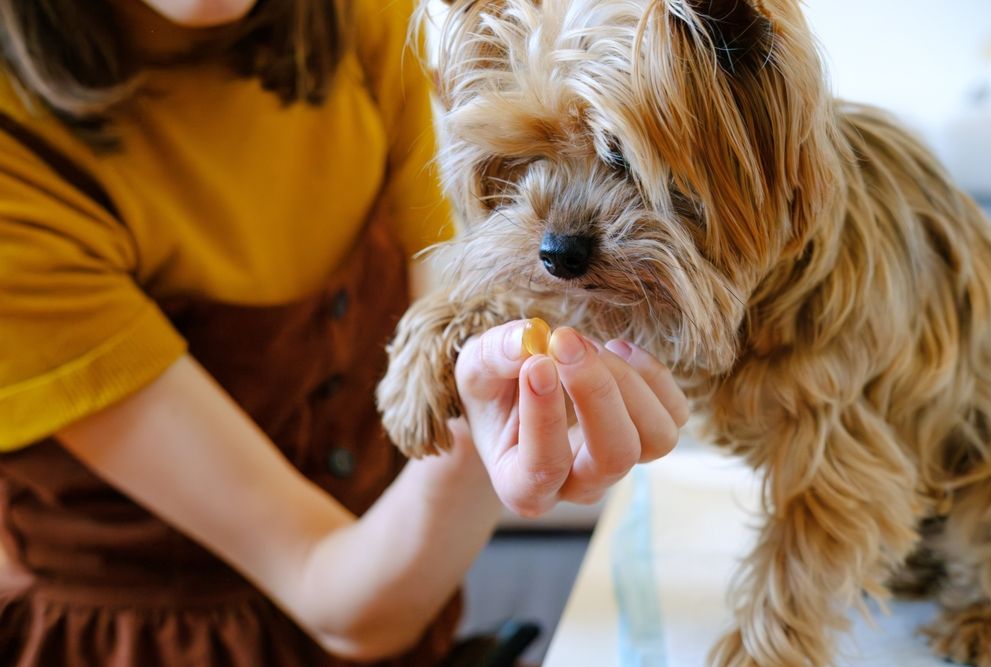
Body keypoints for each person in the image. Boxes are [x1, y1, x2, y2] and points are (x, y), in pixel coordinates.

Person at [0, 0, 689, 664]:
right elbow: (332, 591)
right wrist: (482, 438)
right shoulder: (17, 167)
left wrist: (497, 382)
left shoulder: (361, 18)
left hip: (410, 598)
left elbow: (461, 301)